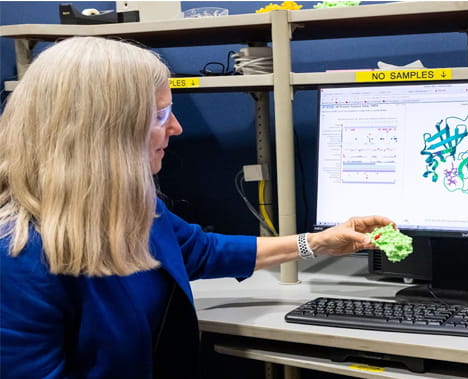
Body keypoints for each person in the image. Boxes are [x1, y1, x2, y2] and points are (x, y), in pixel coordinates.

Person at [0, 36, 394, 379]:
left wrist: (320, 243)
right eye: (159, 116)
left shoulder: (129, 205)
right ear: (100, 133)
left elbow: (201, 251)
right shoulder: (16, 255)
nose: (176, 129)